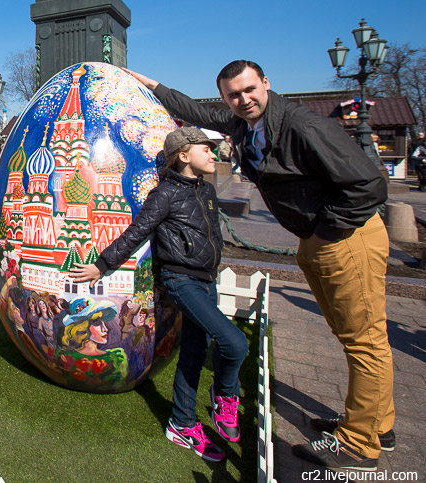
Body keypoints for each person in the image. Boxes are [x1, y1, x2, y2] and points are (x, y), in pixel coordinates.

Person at [126, 61, 393, 471]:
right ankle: (375, 423)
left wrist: (323, 231)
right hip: (320, 238)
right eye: (233, 95)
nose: (243, 99)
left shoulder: (302, 127)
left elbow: (369, 185)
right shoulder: (245, 123)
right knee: (351, 333)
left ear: (266, 83)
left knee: (364, 339)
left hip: (346, 237)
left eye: (250, 89)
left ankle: (360, 442)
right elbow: (197, 113)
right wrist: (151, 84)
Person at [70, 127, 246, 462]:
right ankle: (225, 395)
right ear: (183, 156)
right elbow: (137, 231)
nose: (213, 154)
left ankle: (181, 423)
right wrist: (102, 264)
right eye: (205, 149)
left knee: (195, 351)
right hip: (181, 281)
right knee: (235, 343)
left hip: (206, 280)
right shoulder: (164, 194)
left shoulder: (207, 190)